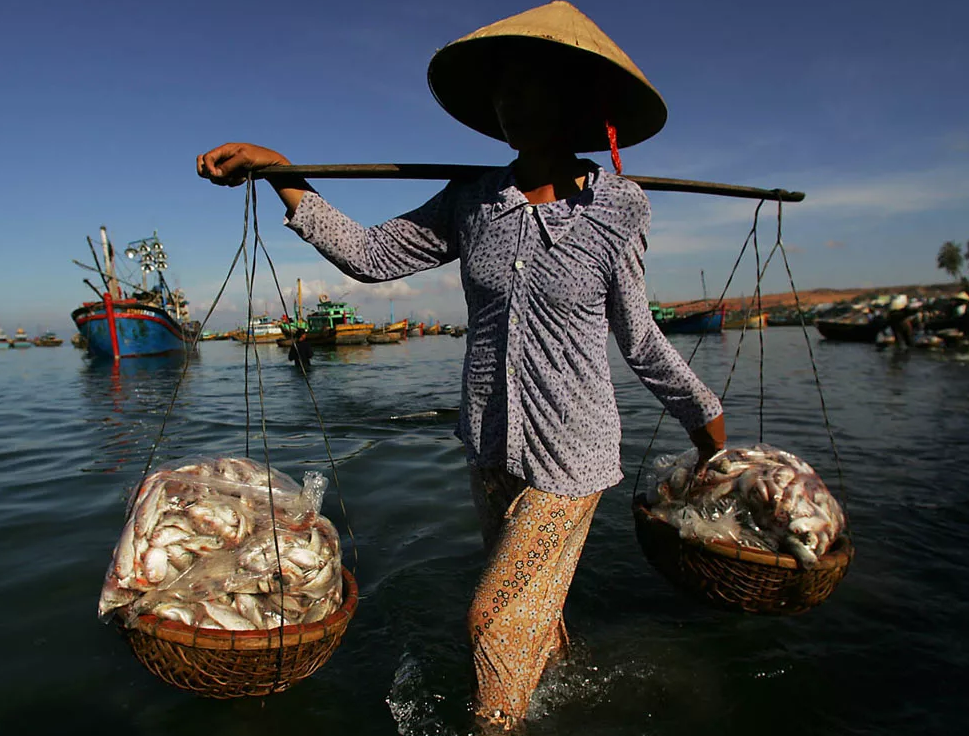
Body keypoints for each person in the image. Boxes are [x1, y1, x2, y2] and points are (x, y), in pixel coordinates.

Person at [198, 1, 725, 728]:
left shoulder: (617, 206)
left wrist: (709, 432)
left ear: (570, 104)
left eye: (529, 88)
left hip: (569, 461)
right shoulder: (472, 202)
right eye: (502, 91)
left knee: (490, 622)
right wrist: (281, 171)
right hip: (488, 447)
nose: (511, 104)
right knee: (528, 617)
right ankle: (564, 686)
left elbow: (637, 336)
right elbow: (372, 256)